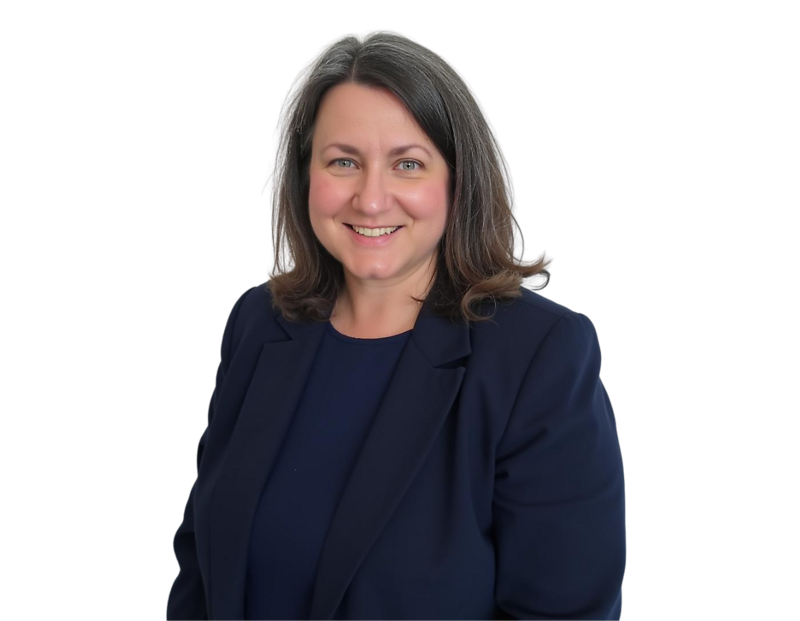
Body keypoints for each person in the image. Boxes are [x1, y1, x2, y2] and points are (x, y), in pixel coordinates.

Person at [167, 29, 626, 621]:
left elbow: (565, 611)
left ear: (456, 180)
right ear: (305, 176)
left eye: (408, 164)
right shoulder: (258, 323)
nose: (371, 199)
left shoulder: (539, 356)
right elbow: (201, 563)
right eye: (344, 162)